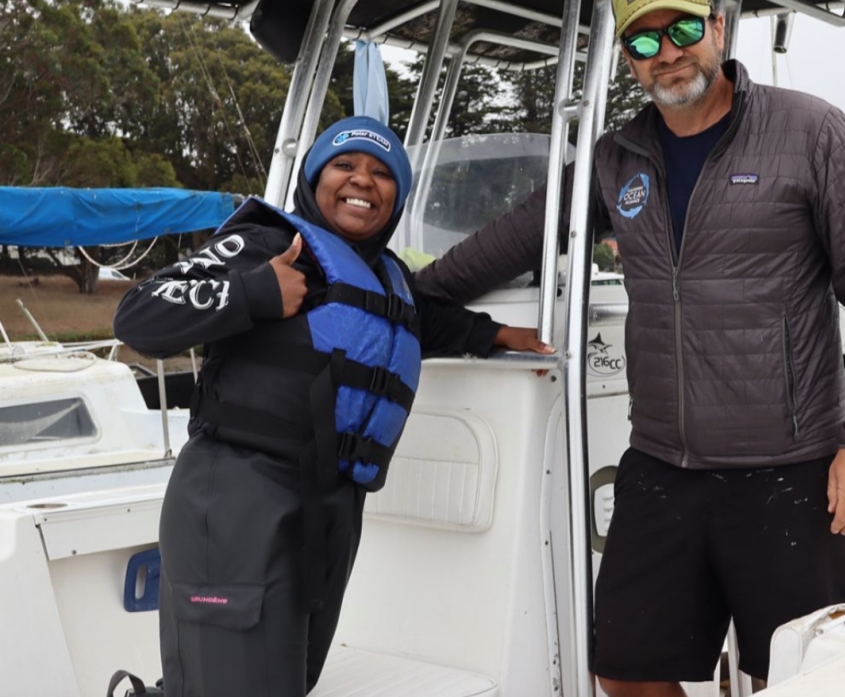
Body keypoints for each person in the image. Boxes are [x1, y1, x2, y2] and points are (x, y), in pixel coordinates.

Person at [414, 0, 845, 696]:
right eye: (644, 41)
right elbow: (512, 239)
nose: (668, 52)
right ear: (628, 60)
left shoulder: (810, 130)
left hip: (791, 470)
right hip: (661, 467)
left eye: (682, 29)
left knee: (804, 679)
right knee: (623, 672)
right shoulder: (617, 160)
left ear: (716, 28)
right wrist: (408, 299)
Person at [113, 116, 551, 697]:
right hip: (240, 497)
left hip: (328, 507)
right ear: (315, 178)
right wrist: (255, 292)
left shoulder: (389, 276)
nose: (362, 181)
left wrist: (497, 335)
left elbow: (418, 321)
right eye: (345, 166)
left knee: (285, 677)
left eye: (381, 173)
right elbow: (138, 315)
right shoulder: (270, 243)